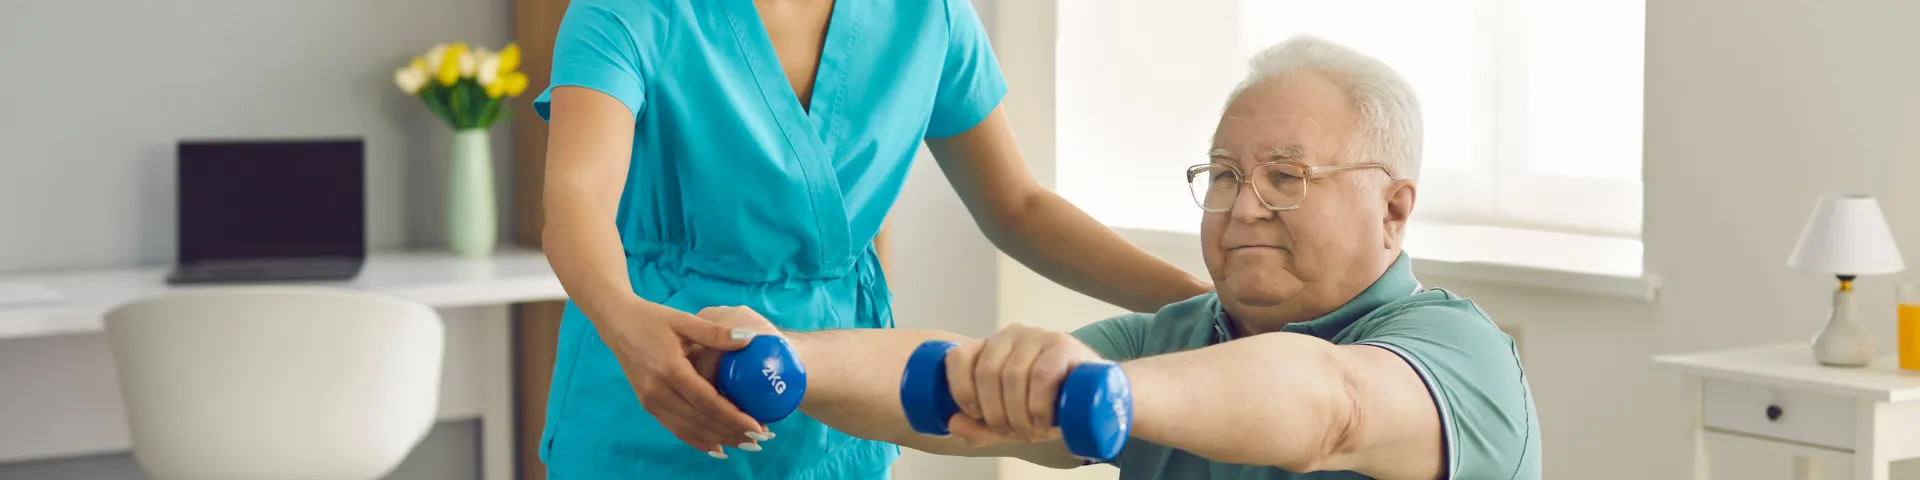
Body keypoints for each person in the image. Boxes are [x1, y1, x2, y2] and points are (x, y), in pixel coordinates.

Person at [694, 35, 1542, 479]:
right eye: (1224, 175)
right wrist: (789, 357)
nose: (1244, 205)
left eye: (1286, 177)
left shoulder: (1457, 354)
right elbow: (960, 393)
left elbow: (1333, 407)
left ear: (1394, 210)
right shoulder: (1171, 338)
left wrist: (1110, 390)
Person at [533, 0, 1211, 477]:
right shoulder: (631, 10)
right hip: (661, 393)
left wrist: (1204, 306)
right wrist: (625, 323)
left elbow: (1020, 207)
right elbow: (576, 197)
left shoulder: (928, 16)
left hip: (842, 403)